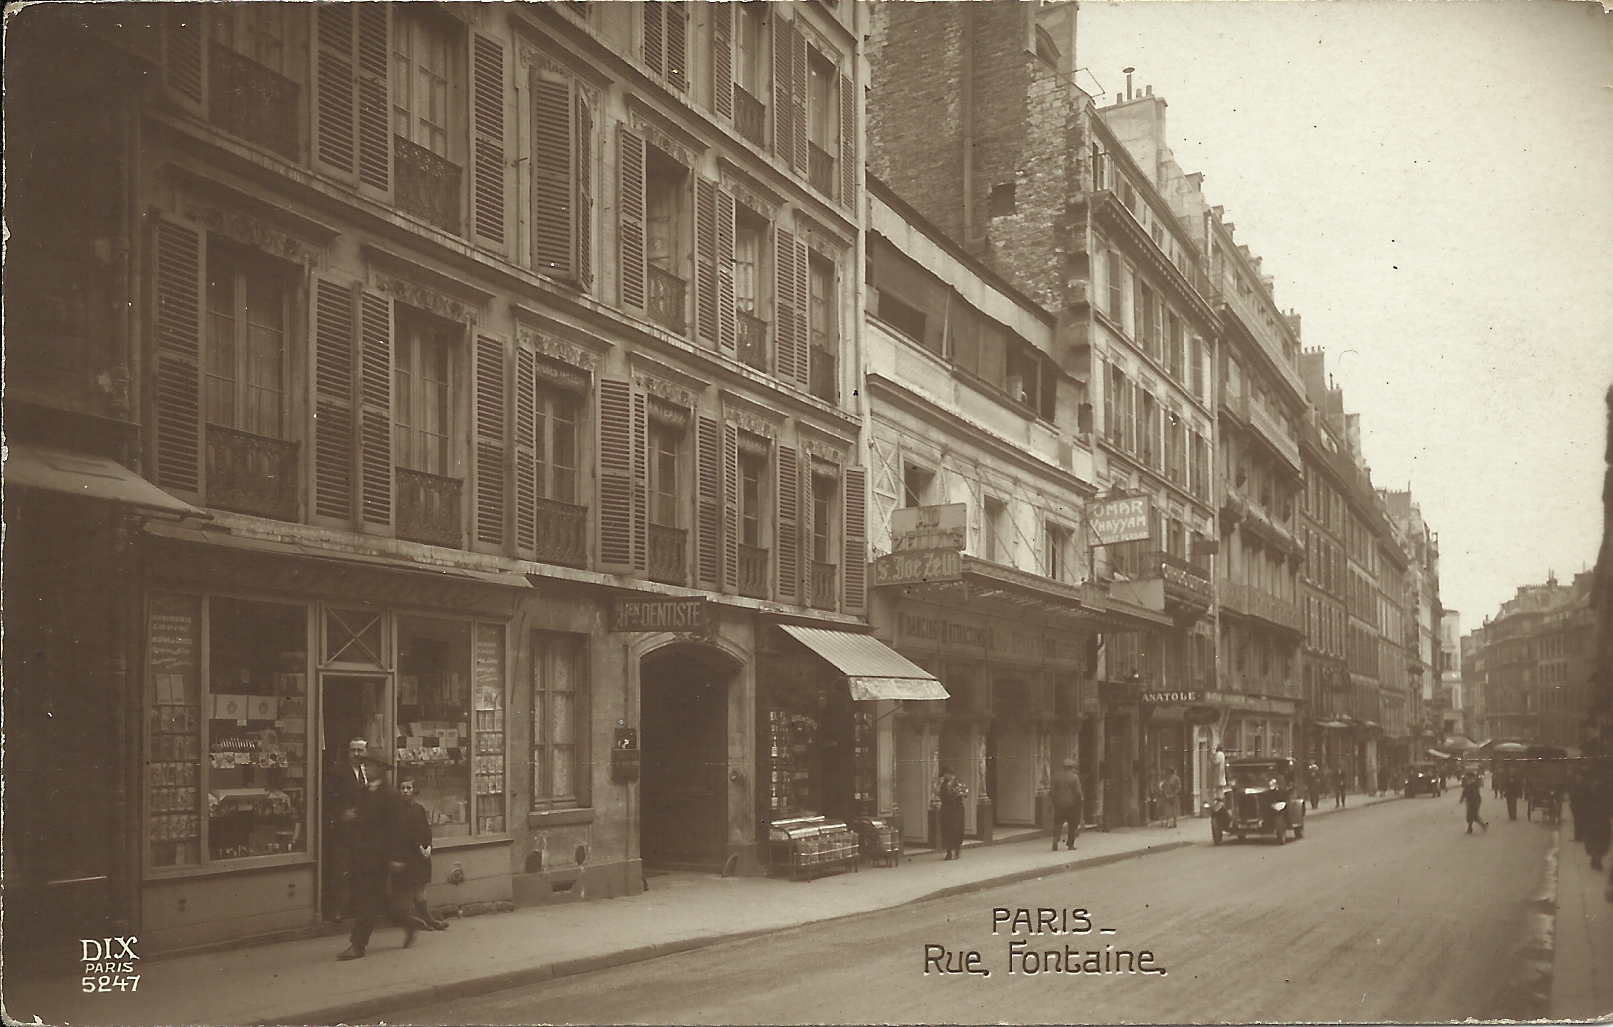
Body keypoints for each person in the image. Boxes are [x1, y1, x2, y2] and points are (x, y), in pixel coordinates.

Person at [337, 769, 430, 960]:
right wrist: (353, 816)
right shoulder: (369, 790)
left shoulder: (388, 793)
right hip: (364, 855)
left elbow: (399, 828)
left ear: (377, 769)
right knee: (379, 901)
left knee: (366, 900)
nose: (365, 770)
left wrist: (396, 857)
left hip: (379, 857)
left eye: (368, 766)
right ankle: (408, 922)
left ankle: (358, 945)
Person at [325, 737, 381, 921]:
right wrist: (342, 814)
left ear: (366, 752)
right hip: (344, 831)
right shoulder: (338, 772)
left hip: (365, 831)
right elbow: (329, 799)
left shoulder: (370, 772)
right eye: (353, 750)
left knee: (361, 870)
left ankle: (357, 909)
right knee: (341, 869)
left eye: (360, 750)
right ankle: (338, 910)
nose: (356, 754)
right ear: (347, 752)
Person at [394, 778, 449, 931]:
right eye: (402, 788)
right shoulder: (397, 809)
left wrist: (429, 846)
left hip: (421, 854)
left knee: (420, 886)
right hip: (406, 854)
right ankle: (413, 920)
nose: (405, 791)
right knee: (403, 888)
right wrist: (419, 847)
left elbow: (426, 829)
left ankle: (427, 919)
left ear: (413, 791)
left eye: (408, 788)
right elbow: (405, 833)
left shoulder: (419, 808)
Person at [1048, 758, 1084, 851]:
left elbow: (1051, 791)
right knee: (1072, 825)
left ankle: (1055, 840)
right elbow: (1079, 792)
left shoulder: (1056, 776)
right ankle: (1070, 845)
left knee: (1058, 823)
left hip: (1059, 805)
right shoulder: (1074, 777)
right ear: (1071, 767)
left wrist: (1054, 801)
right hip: (1072, 805)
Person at [936, 766, 968, 861]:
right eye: (944, 774)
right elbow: (936, 792)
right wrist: (940, 783)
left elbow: (965, 793)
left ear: (950, 774)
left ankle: (957, 848)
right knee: (946, 830)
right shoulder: (942, 784)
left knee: (957, 829)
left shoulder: (957, 782)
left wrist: (960, 793)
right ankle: (948, 852)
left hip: (957, 808)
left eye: (947, 774)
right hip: (946, 809)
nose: (945, 776)